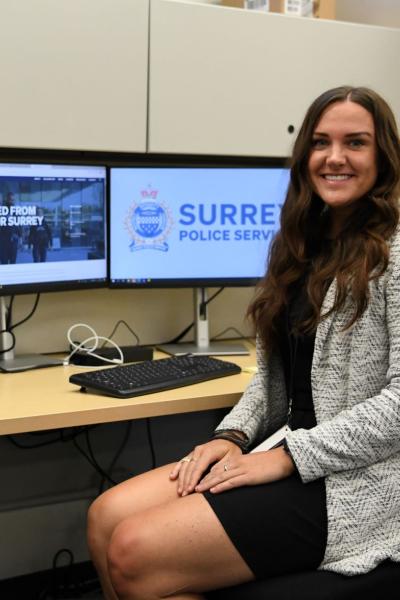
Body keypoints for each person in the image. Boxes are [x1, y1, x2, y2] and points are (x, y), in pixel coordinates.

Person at [86, 85, 400, 600]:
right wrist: (229, 439)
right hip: (292, 452)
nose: (335, 157)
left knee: (133, 551)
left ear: (383, 156)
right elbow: (274, 377)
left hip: (363, 479)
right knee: (105, 517)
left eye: (355, 142)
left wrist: (284, 459)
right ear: (305, 156)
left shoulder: (395, 251)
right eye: (321, 142)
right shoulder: (301, 245)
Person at [0, 192, 22, 264]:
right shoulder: (2, 210)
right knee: (4, 262)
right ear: (6, 199)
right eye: (10, 199)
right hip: (3, 240)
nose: (11, 201)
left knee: (13, 262)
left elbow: (19, 225)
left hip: (14, 240)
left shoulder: (16, 211)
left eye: (13, 200)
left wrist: (20, 237)